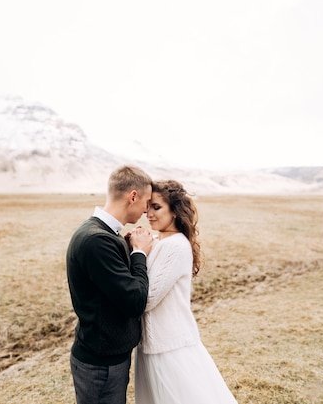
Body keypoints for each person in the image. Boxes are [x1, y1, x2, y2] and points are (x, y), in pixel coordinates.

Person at [134, 179, 238, 404]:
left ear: (175, 211)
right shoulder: (157, 240)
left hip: (170, 346)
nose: (148, 213)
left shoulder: (176, 246)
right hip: (151, 344)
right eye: (148, 206)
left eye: (157, 207)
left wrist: (138, 254)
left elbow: (147, 298)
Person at [66, 165, 154, 404]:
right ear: (133, 197)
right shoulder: (98, 240)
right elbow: (134, 301)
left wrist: (125, 247)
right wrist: (139, 254)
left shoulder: (104, 234)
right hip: (101, 364)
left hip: (104, 357)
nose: (147, 212)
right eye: (146, 202)